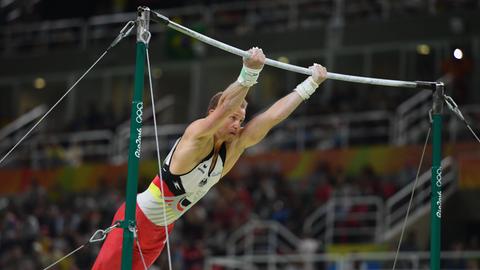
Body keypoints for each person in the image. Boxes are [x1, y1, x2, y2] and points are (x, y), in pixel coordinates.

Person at [92, 47, 328, 269]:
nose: (237, 125)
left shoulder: (233, 149)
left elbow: (271, 118)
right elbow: (225, 106)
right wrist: (250, 72)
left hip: (161, 230)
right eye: (232, 118)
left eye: (241, 120)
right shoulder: (196, 136)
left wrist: (309, 85)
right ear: (212, 114)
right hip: (137, 216)